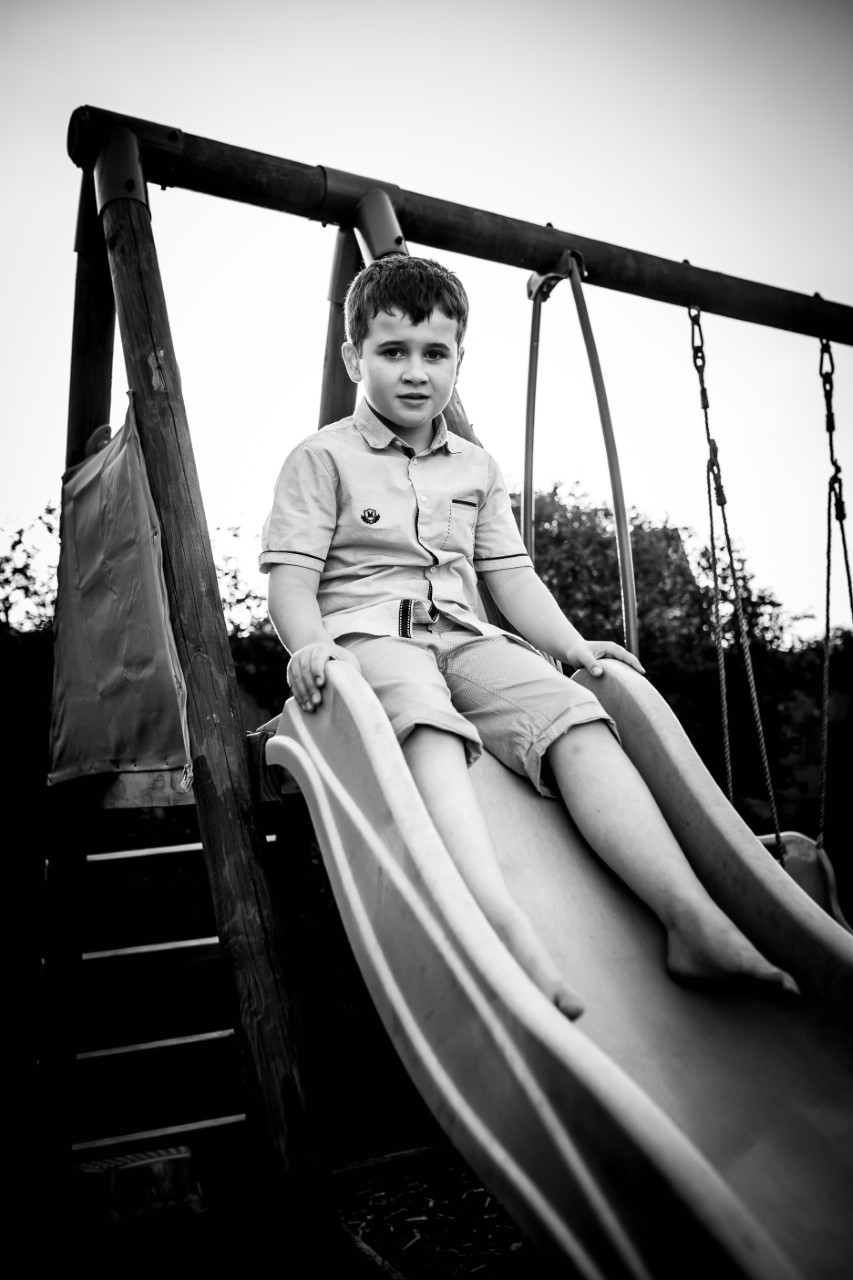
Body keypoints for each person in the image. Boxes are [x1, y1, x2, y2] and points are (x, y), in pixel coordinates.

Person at [261, 255, 797, 1019]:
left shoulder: (475, 466)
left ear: (458, 361)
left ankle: (690, 919)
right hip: (368, 638)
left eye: (434, 353)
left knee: (575, 716)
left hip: (462, 636)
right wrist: (309, 646)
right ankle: (496, 920)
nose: (415, 373)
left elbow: (509, 576)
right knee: (426, 720)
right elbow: (291, 579)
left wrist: (574, 648)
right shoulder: (321, 458)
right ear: (354, 358)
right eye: (392, 352)